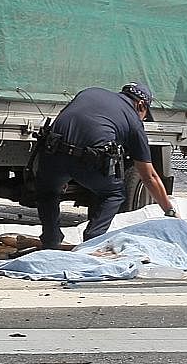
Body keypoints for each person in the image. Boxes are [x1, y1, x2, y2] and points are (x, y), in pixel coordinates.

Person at [34, 83, 176, 250]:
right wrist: (169, 210)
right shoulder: (134, 121)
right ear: (141, 105)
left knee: (47, 189)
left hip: (53, 151)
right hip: (89, 160)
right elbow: (148, 176)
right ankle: (92, 240)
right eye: (145, 115)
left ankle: (50, 240)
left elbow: (65, 119)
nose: (143, 119)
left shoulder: (90, 91)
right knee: (113, 193)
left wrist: (62, 173)